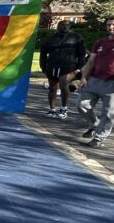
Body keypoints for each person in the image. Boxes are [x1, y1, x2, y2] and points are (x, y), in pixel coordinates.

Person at [78, 18, 114, 148]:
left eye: (113, 24)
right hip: (94, 80)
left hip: (111, 84)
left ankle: (98, 138)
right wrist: (83, 78)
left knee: (109, 113)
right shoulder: (100, 42)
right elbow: (91, 61)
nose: (110, 27)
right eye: (108, 24)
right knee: (82, 105)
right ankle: (94, 124)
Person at [39, 20, 85, 118]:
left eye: (67, 25)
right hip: (52, 67)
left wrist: (79, 68)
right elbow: (43, 53)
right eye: (62, 25)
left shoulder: (76, 38)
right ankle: (52, 109)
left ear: (70, 26)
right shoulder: (51, 39)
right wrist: (43, 67)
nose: (65, 27)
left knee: (64, 85)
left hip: (68, 67)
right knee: (52, 88)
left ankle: (64, 108)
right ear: (58, 26)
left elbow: (81, 54)